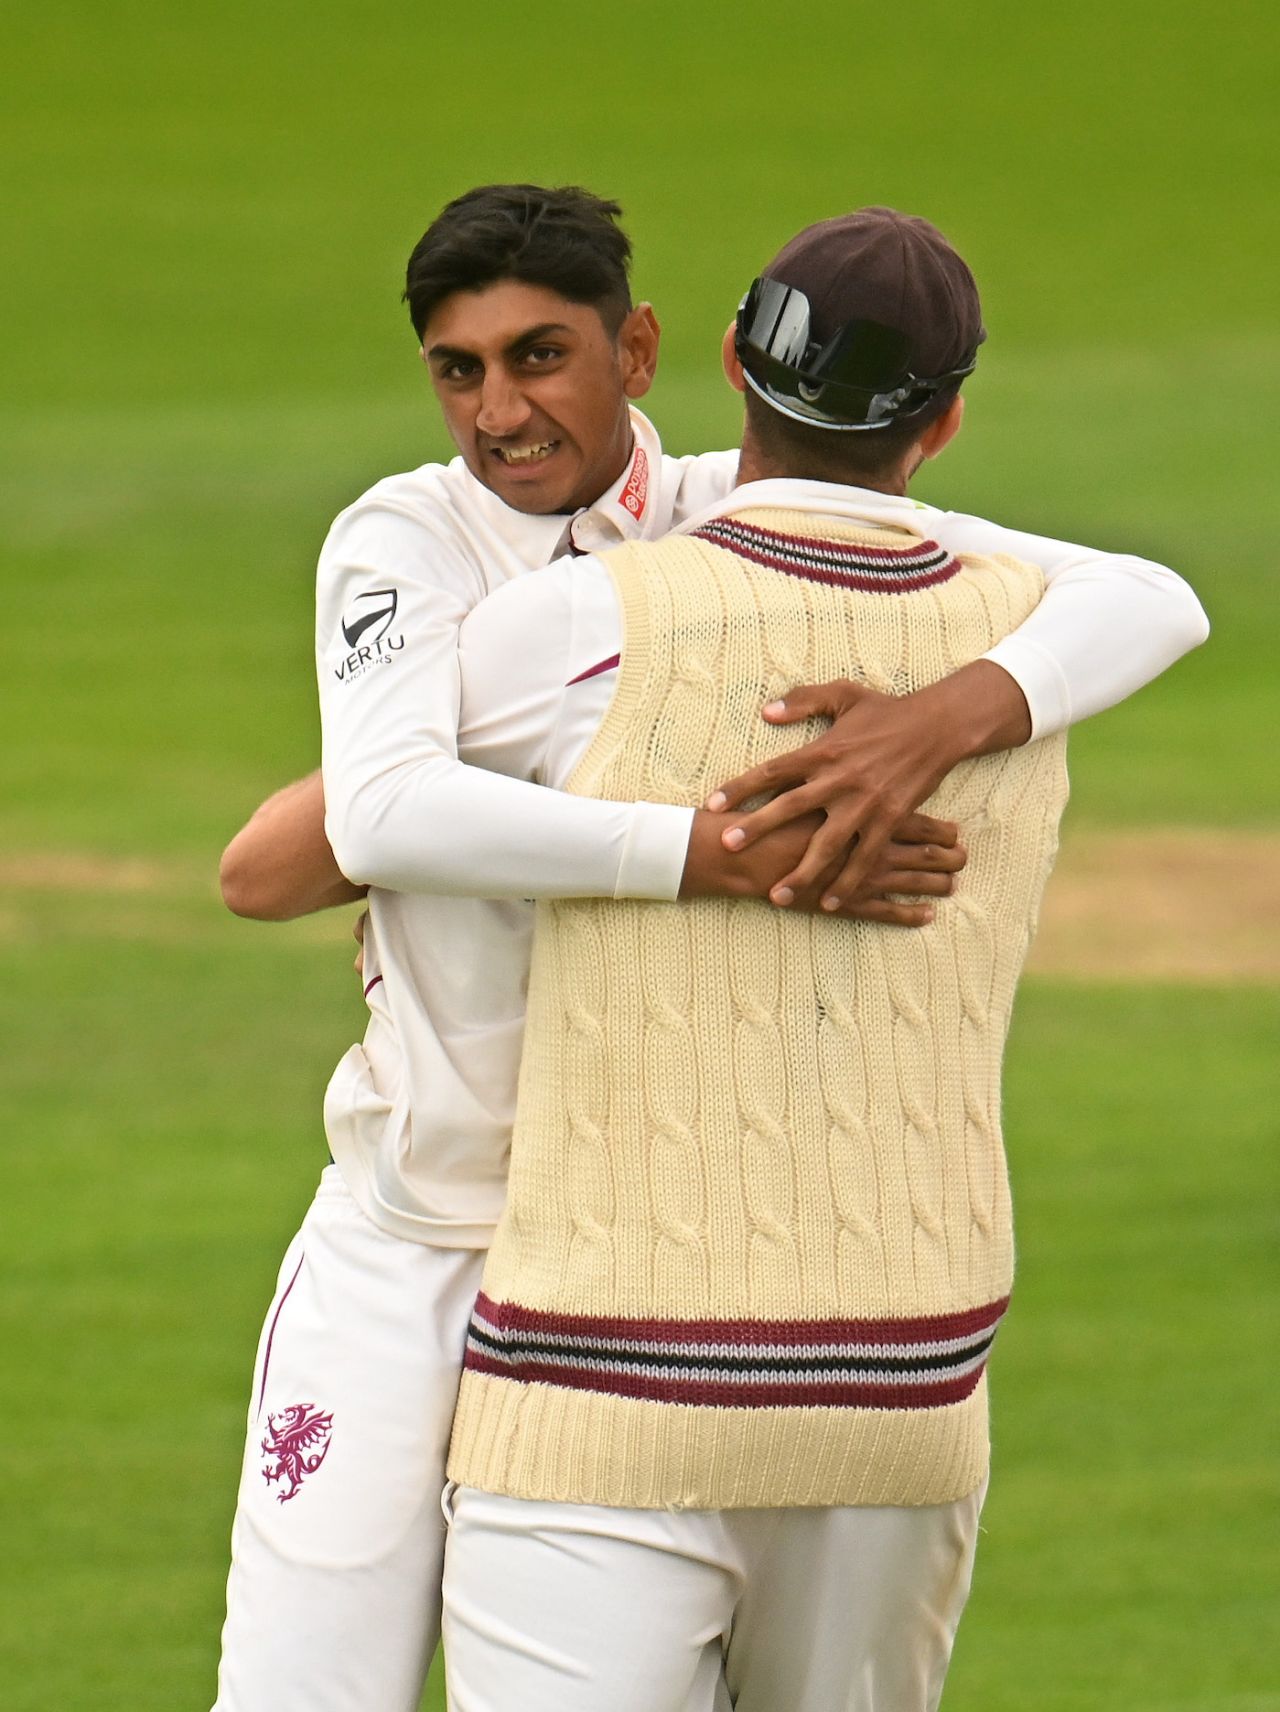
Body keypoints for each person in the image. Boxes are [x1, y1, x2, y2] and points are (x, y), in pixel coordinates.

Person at [213, 187, 1208, 1712]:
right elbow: (367, 825)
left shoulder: (703, 516)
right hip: (414, 1242)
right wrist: (709, 855)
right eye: (458, 370)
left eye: (540, 357)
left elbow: (1148, 594)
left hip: (620, 1255)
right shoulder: (406, 537)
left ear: (656, 351)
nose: (501, 409)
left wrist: (934, 722)